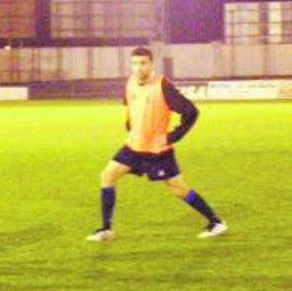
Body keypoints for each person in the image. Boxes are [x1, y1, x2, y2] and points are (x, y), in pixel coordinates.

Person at [87, 46, 228, 241]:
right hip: (133, 147)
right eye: (135, 63)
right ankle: (106, 229)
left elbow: (191, 112)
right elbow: (131, 108)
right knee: (107, 176)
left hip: (157, 152)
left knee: (179, 189)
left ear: (151, 64)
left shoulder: (163, 86)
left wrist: (172, 137)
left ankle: (216, 222)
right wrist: (132, 129)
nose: (138, 67)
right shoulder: (130, 84)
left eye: (143, 63)